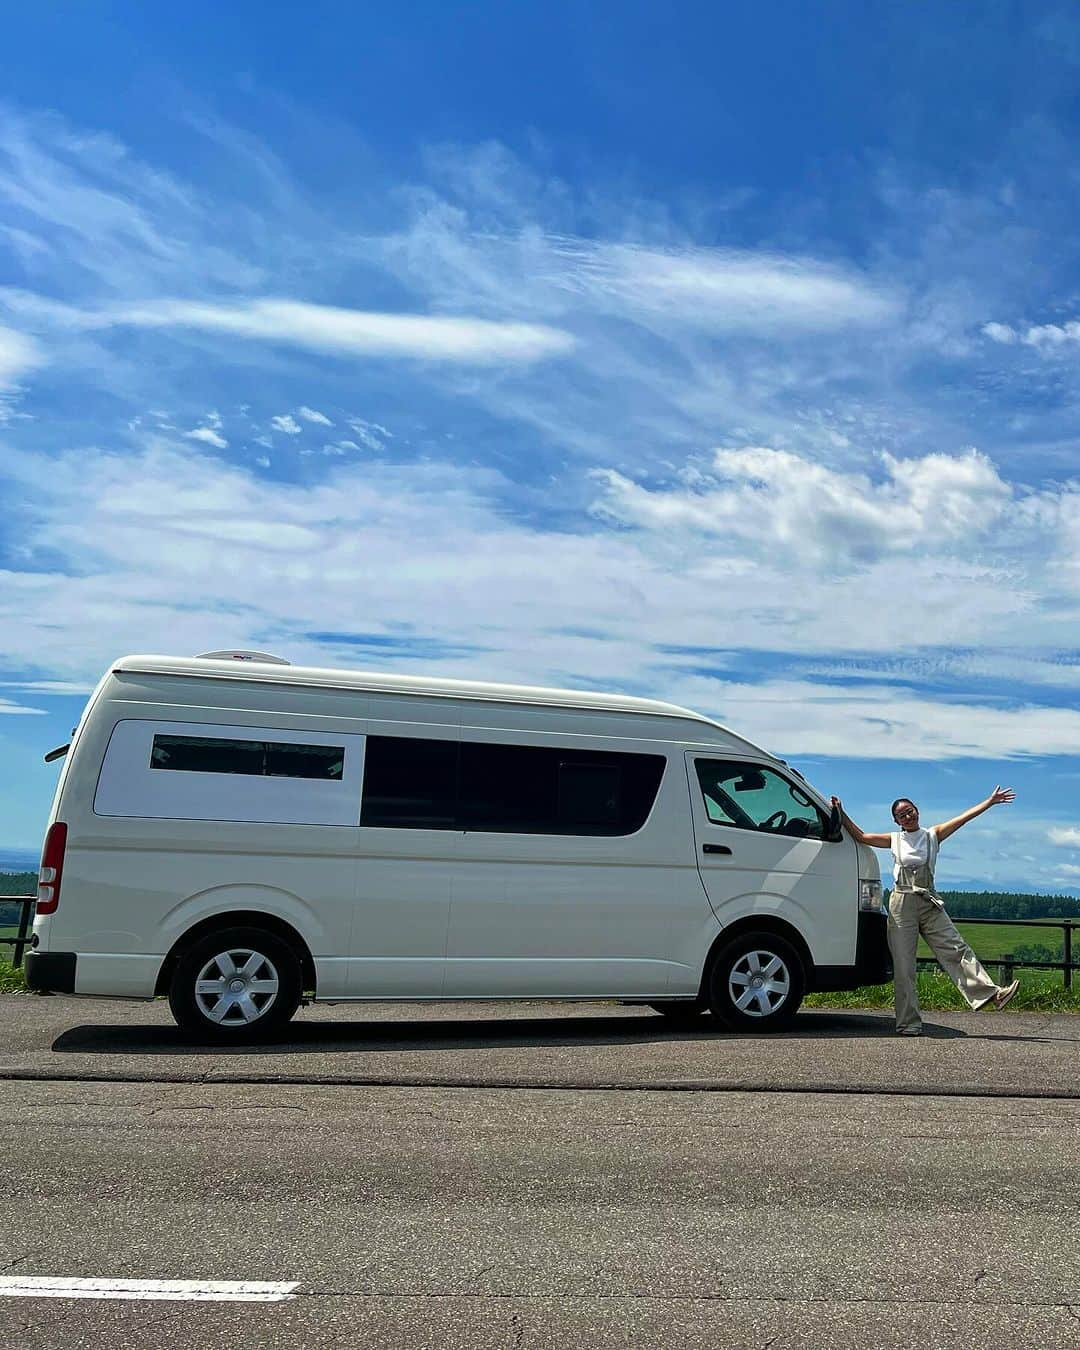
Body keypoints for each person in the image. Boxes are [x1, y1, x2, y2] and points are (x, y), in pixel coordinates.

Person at [829, 787, 1020, 1036]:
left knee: (956, 948)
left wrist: (990, 802)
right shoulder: (894, 840)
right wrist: (840, 812)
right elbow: (862, 836)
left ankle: (991, 994)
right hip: (902, 904)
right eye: (902, 815)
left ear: (917, 810)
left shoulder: (933, 835)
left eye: (910, 811)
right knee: (904, 966)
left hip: (929, 901)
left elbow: (964, 818)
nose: (908, 817)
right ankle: (909, 1023)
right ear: (896, 821)